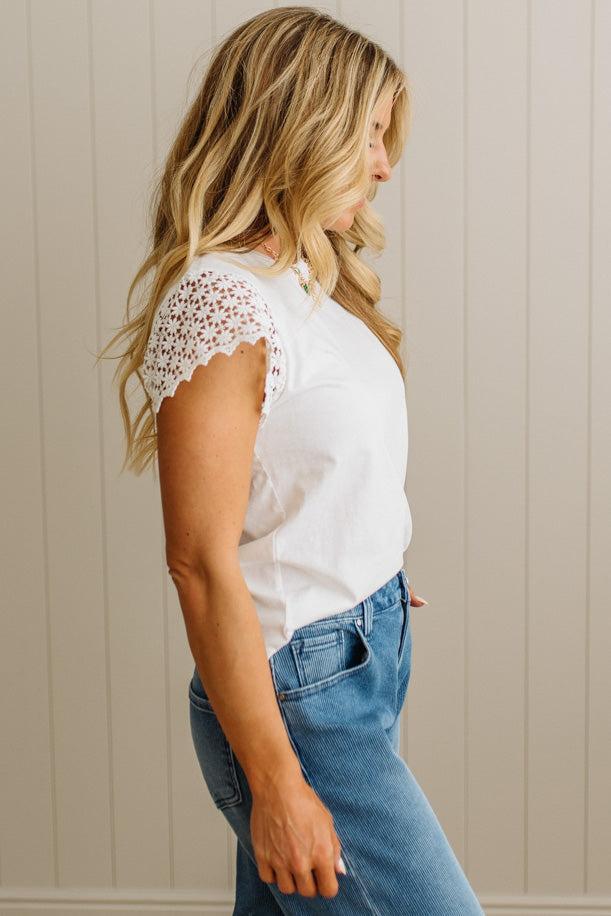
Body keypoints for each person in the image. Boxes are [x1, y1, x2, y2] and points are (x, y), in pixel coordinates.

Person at [98, 6, 485, 913]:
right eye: (370, 134)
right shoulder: (220, 302)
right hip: (302, 694)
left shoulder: (303, 281)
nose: (386, 164)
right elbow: (197, 563)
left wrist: (363, 555)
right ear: (298, 125)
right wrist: (274, 785)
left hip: (359, 655)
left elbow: (310, 467)